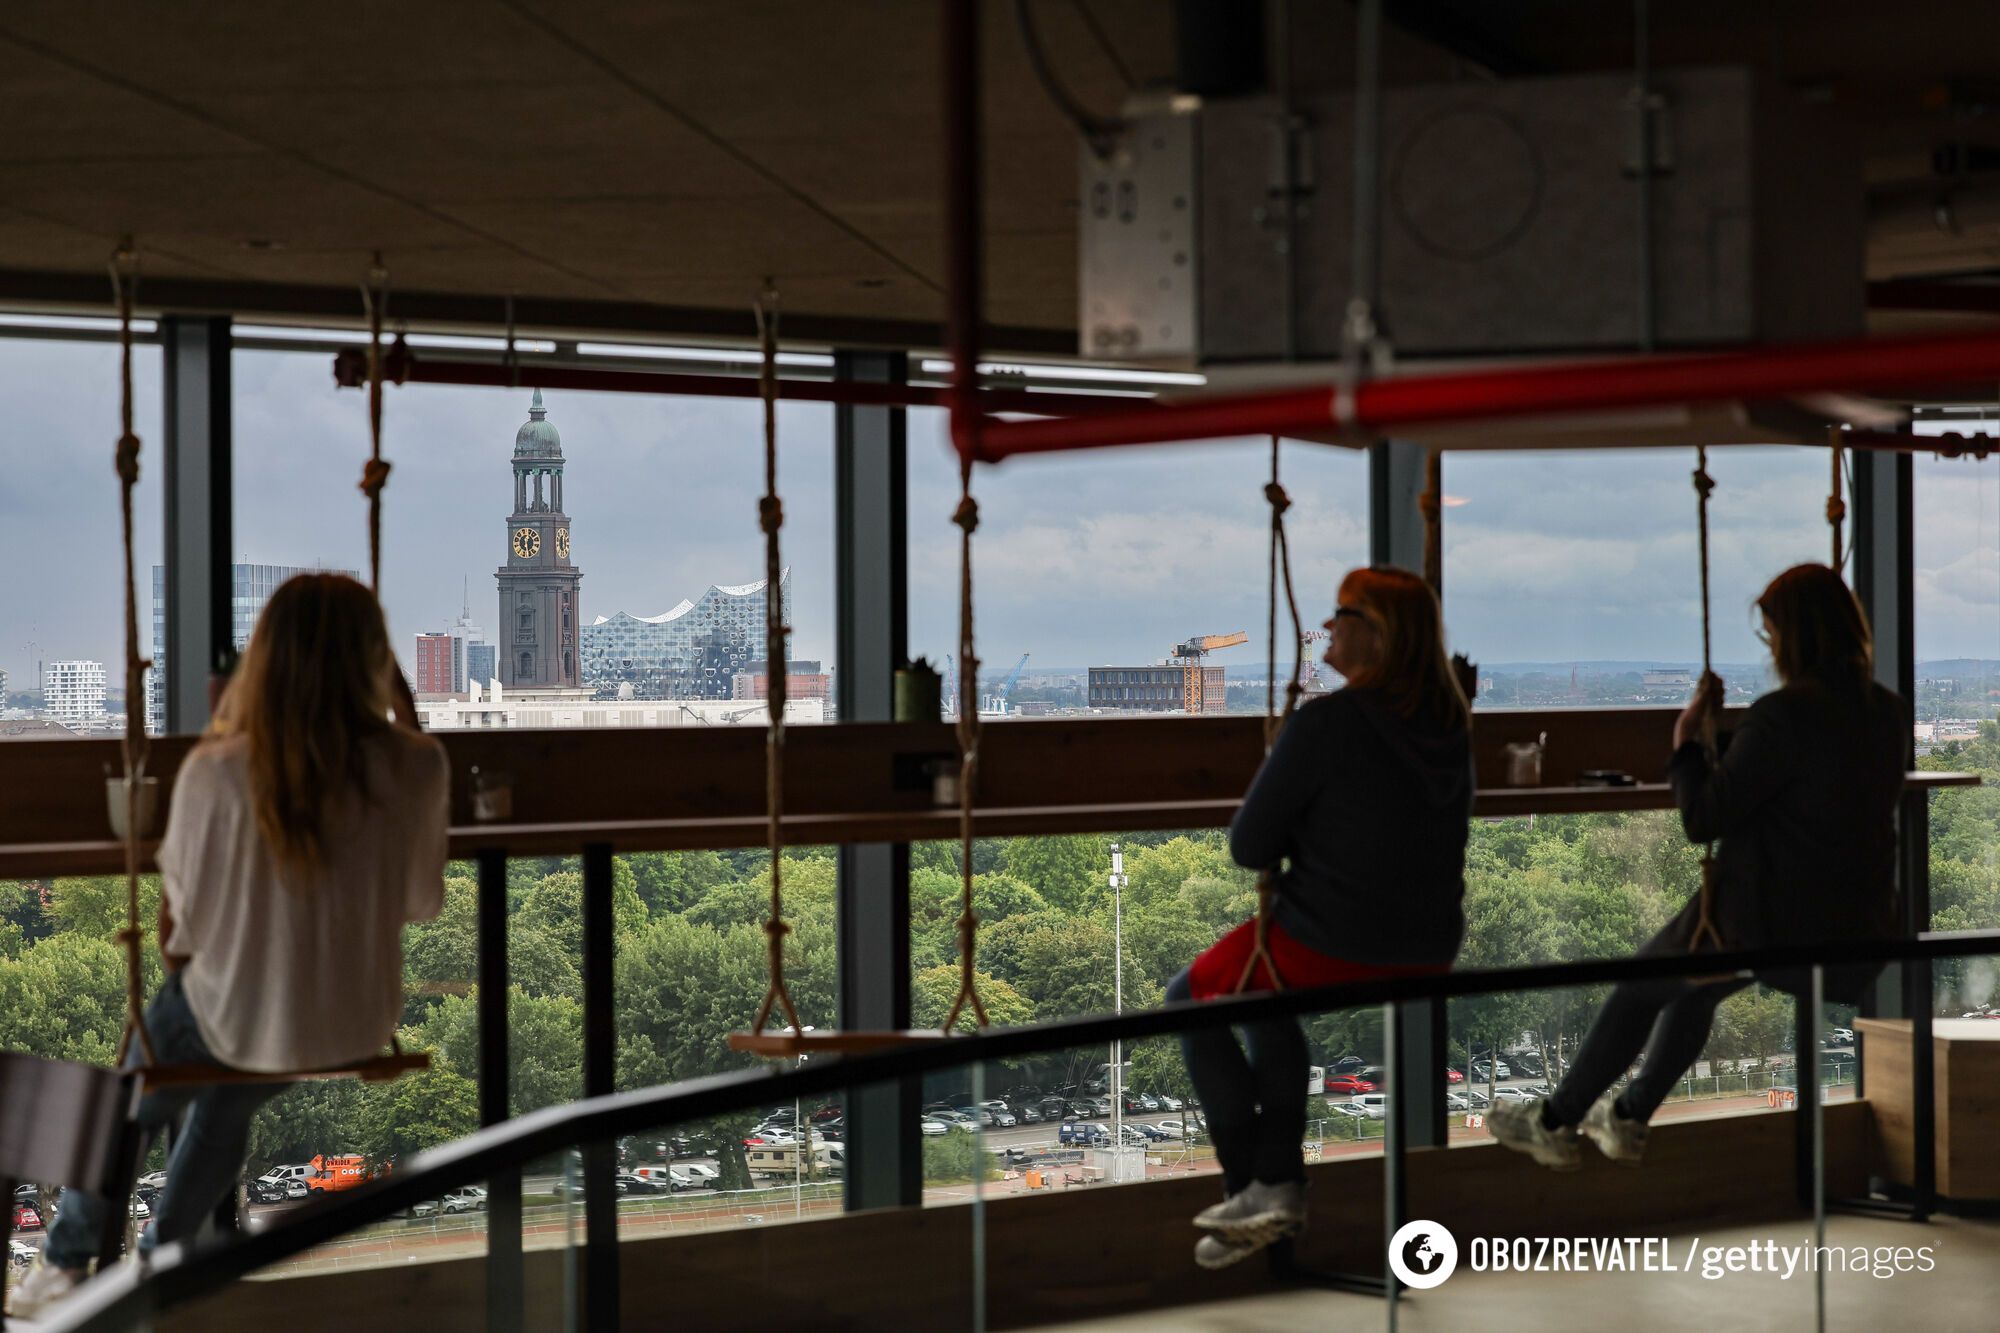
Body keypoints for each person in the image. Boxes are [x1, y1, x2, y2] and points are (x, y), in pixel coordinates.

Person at [12, 574, 448, 1318]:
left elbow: (185, 922)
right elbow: (421, 903)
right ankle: (162, 1258)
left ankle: (63, 1256)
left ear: (262, 662)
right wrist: (399, 704)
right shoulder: (417, 766)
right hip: (351, 1021)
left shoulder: (217, 771)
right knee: (229, 1096)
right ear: (376, 661)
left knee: (135, 1092)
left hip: (241, 1019)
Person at [1489, 563, 1906, 1171]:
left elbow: (1702, 819)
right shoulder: (1887, 712)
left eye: (1772, 638)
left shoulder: (1783, 715)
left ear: (1793, 639)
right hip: (1857, 923)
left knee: (1640, 988)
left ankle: (1556, 1122)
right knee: (1695, 988)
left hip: (1769, 919)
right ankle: (1629, 1117)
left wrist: (1686, 741)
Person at [1168, 566, 1473, 1270]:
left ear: (1376, 633)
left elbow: (1250, 846)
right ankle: (1272, 1186)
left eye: (1342, 613)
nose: (1328, 625)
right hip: (1429, 944)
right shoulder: (1448, 722)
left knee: (1191, 996)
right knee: (1262, 994)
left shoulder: (1328, 723)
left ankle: (1257, 1186)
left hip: (1339, 937)